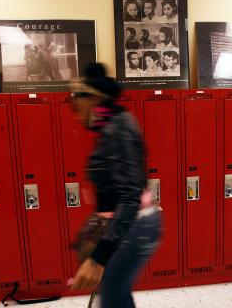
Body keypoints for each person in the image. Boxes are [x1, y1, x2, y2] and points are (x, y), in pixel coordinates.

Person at [68, 63, 161, 308]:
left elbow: (130, 195)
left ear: (93, 99)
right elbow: (116, 190)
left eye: (77, 103)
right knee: (115, 295)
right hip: (129, 223)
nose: (75, 111)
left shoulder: (118, 128)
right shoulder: (112, 125)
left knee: (113, 297)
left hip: (135, 226)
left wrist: (98, 258)